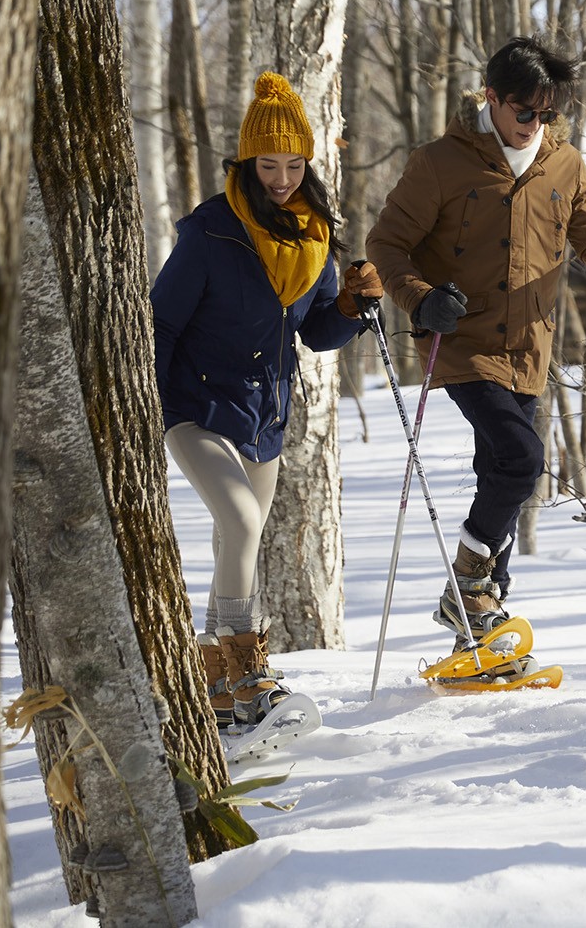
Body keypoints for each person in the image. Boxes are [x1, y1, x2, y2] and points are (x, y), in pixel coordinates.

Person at [368, 37, 586, 659]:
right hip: (461, 340)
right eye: (526, 111)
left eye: (549, 112)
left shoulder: (564, 164)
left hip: (530, 347)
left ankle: (483, 623)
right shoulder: (441, 163)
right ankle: (468, 588)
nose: (538, 123)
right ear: (492, 99)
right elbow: (386, 245)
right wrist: (420, 298)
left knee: (497, 472)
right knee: (523, 460)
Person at [151, 71, 384, 737]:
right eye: (268, 164)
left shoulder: (314, 235)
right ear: (246, 162)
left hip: (265, 416)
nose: (280, 177)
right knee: (244, 522)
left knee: (238, 539)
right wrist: (144, 408)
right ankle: (246, 668)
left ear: (307, 164)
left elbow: (316, 333)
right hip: (195, 405)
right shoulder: (211, 232)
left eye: (292, 164)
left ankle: (215, 684)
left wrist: (354, 307)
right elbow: (161, 324)